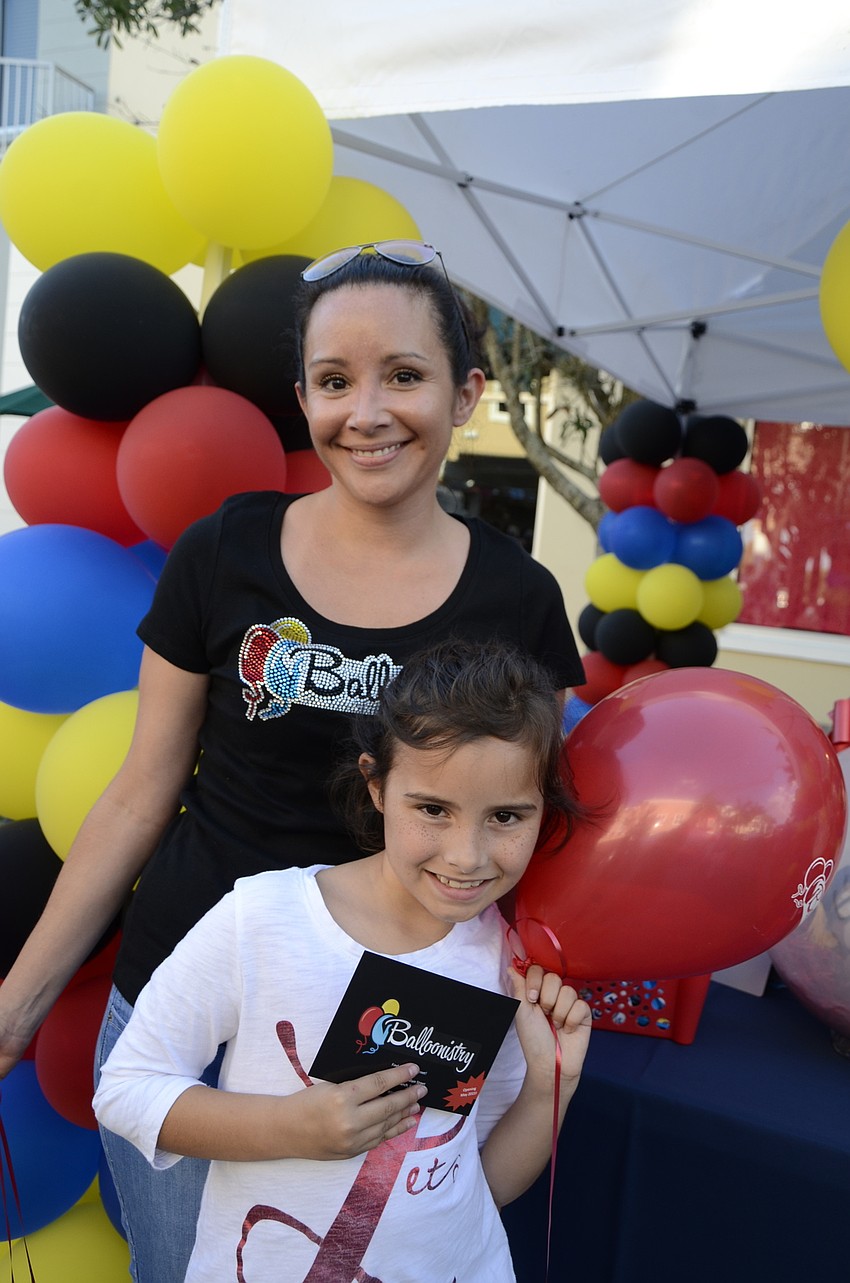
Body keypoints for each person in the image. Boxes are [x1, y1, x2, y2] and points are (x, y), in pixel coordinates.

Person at [0, 240, 584, 1281]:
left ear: (466, 394)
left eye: (404, 374)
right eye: (332, 380)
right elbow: (141, 790)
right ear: (304, 397)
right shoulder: (224, 549)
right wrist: (23, 995)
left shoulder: (519, 597)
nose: (366, 411)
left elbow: (537, 817)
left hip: (406, 1019)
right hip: (201, 996)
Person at [93, 638, 592, 1282]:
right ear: (377, 785)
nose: (468, 856)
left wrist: (552, 1087)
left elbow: (475, 1185)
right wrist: (292, 1127)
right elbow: (128, 1090)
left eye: (505, 816)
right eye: (433, 809)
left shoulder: (512, 964)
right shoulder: (264, 918)